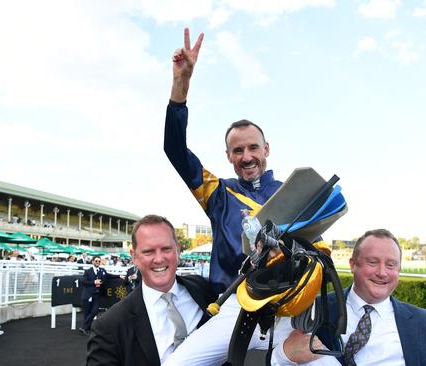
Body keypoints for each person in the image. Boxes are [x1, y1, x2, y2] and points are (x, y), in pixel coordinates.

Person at [162, 28, 294, 365]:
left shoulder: (294, 193)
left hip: (287, 309)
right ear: (228, 156)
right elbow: (175, 150)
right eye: (238, 150)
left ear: (267, 149)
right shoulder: (218, 193)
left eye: (253, 147)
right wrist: (182, 85)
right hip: (234, 307)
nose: (247, 156)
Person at [272, 229, 426, 365]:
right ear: (353, 265)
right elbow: (274, 358)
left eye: (391, 265)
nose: (382, 272)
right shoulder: (312, 309)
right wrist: (284, 355)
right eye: (373, 262)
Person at [86, 215, 216, 365]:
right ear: (134, 257)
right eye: (148, 251)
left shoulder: (202, 289)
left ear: (178, 250)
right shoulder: (109, 326)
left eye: (166, 249)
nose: (159, 259)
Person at [79, 255, 121, 335]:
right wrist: (94, 282)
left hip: (97, 295)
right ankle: (86, 328)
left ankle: (83, 327)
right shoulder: (88, 271)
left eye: (99, 261)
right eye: (96, 261)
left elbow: (109, 276)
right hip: (88, 295)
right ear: (92, 262)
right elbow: (83, 282)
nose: (98, 262)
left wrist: (119, 276)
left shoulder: (102, 270)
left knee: (94, 311)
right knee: (87, 313)